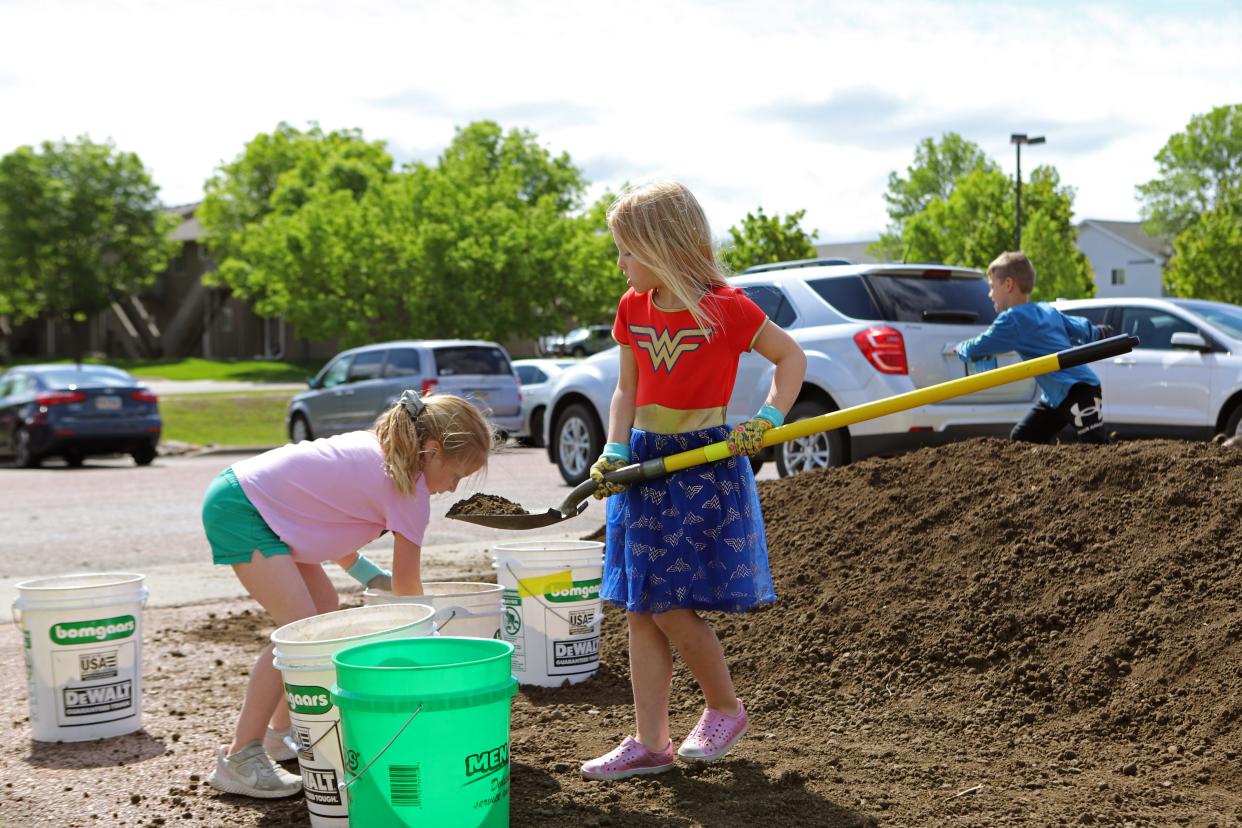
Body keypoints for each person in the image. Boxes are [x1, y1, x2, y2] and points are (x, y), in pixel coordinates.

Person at [580, 181, 807, 781]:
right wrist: (613, 449)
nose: (621, 263)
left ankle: (724, 707)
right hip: (643, 464)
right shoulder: (633, 308)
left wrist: (767, 418)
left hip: (701, 464)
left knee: (672, 605)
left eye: (628, 250)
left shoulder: (728, 307)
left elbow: (791, 359)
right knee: (639, 607)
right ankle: (650, 741)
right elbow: (627, 389)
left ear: (663, 246)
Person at [201, 390, 493, 798]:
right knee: (301, 635)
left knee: (323, 611)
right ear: (432, 450)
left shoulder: (389, 455)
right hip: (244, 510)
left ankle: (278, 734)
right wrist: (435, 652)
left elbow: (321, 514)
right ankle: (239, 758)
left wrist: (367, 574)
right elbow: (409, 590)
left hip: (254, 503)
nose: (453, 488)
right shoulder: (410, 487)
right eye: (457, 474)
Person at [956, 251, 1111, 444]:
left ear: (1008, 285)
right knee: (1024, 438)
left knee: (1096, 445)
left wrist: (961, 348)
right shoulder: (1045, 309)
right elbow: (1077, 327)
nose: (990, 294)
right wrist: (1098, 332)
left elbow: (978, 347)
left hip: (1080, 390)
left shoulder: (1011, 319)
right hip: (1055, 397)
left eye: (991, 287)